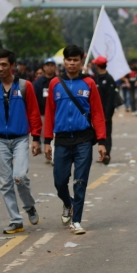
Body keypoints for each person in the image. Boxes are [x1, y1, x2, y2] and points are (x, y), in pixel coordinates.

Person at [44, 45, 107, 235]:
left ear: (81, 62)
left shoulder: (89, 83)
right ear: (64, 62)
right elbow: (49, 113)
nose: (72, 63)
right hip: (62, 139)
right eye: (68, 60)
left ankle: (77, 221)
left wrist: (102, 141)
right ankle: (67, 203)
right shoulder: (55, 83)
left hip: (84, 139)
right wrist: (46, 140)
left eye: (75, 60)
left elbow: (97, 113)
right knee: (59, 181)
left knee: (80, 181)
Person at [0, 49, 42, 234]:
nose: (0, 68)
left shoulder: (25, 86)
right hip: (0, 140)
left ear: (12, 66)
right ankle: (16, 220)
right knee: (5, 183)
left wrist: (36, 139)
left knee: (20, 176)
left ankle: (29, 206)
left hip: (21, 139)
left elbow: (33, 112)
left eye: (4, 64)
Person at [93, 55, 118, 165]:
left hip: (106, 113)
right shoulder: (95, 78)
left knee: (106, 134)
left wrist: (107, 115)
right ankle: (102, 153)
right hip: (96, 113)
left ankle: (106, 154)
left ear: (98, 65)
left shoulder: (109, 79)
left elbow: (111, 98)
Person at [33, 58, 57, 164]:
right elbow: (34, 99)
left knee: (55, 135)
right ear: (44, 67)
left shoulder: (59, 81)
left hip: (56, 114)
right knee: (45, 135)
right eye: (48, 65)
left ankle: (54, 156)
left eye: (52, 65)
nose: (50, 67)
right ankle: (48, 153)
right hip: (42, 114)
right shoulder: (38, 83)